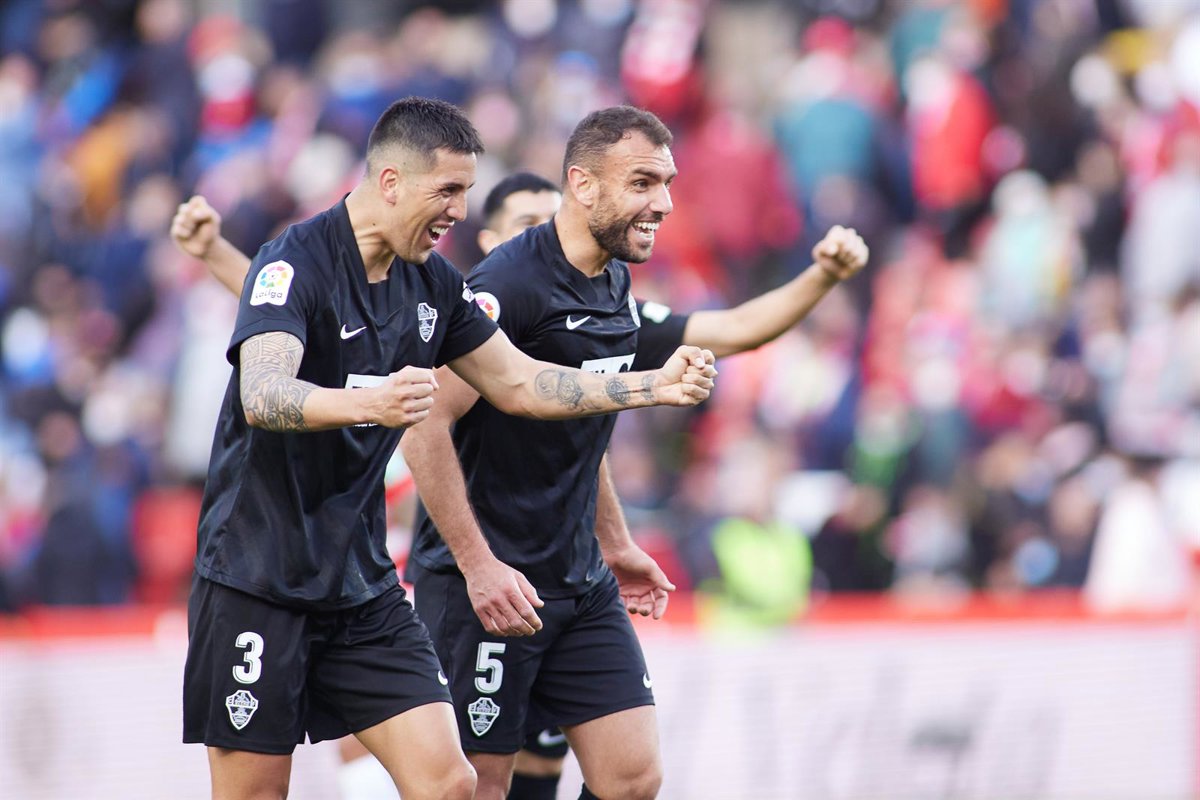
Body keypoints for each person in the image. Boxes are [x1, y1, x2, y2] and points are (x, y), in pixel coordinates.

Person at [174, 162, 868, 799]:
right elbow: (297, 315)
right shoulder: (479, 298)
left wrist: (616, 529)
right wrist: (217, 256)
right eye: (525, 223)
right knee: (422, 776)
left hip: (521, 582)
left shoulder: (546, 303)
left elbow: (571, 420)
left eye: (546, 219)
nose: (542, 235)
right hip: (413, 577)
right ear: (494, 241)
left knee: (549, 775)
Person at [400, 106, 868, 800]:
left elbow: (591, 425)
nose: (665, 203)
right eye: (643, 182)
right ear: (583, 185)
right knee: (480, 788)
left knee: (632, 779)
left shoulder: (614, 283)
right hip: (492, 587)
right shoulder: (509, 288)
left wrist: (614, 540)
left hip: (578, 579)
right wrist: (478, 564)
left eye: (667, 183)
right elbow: (423, 424)